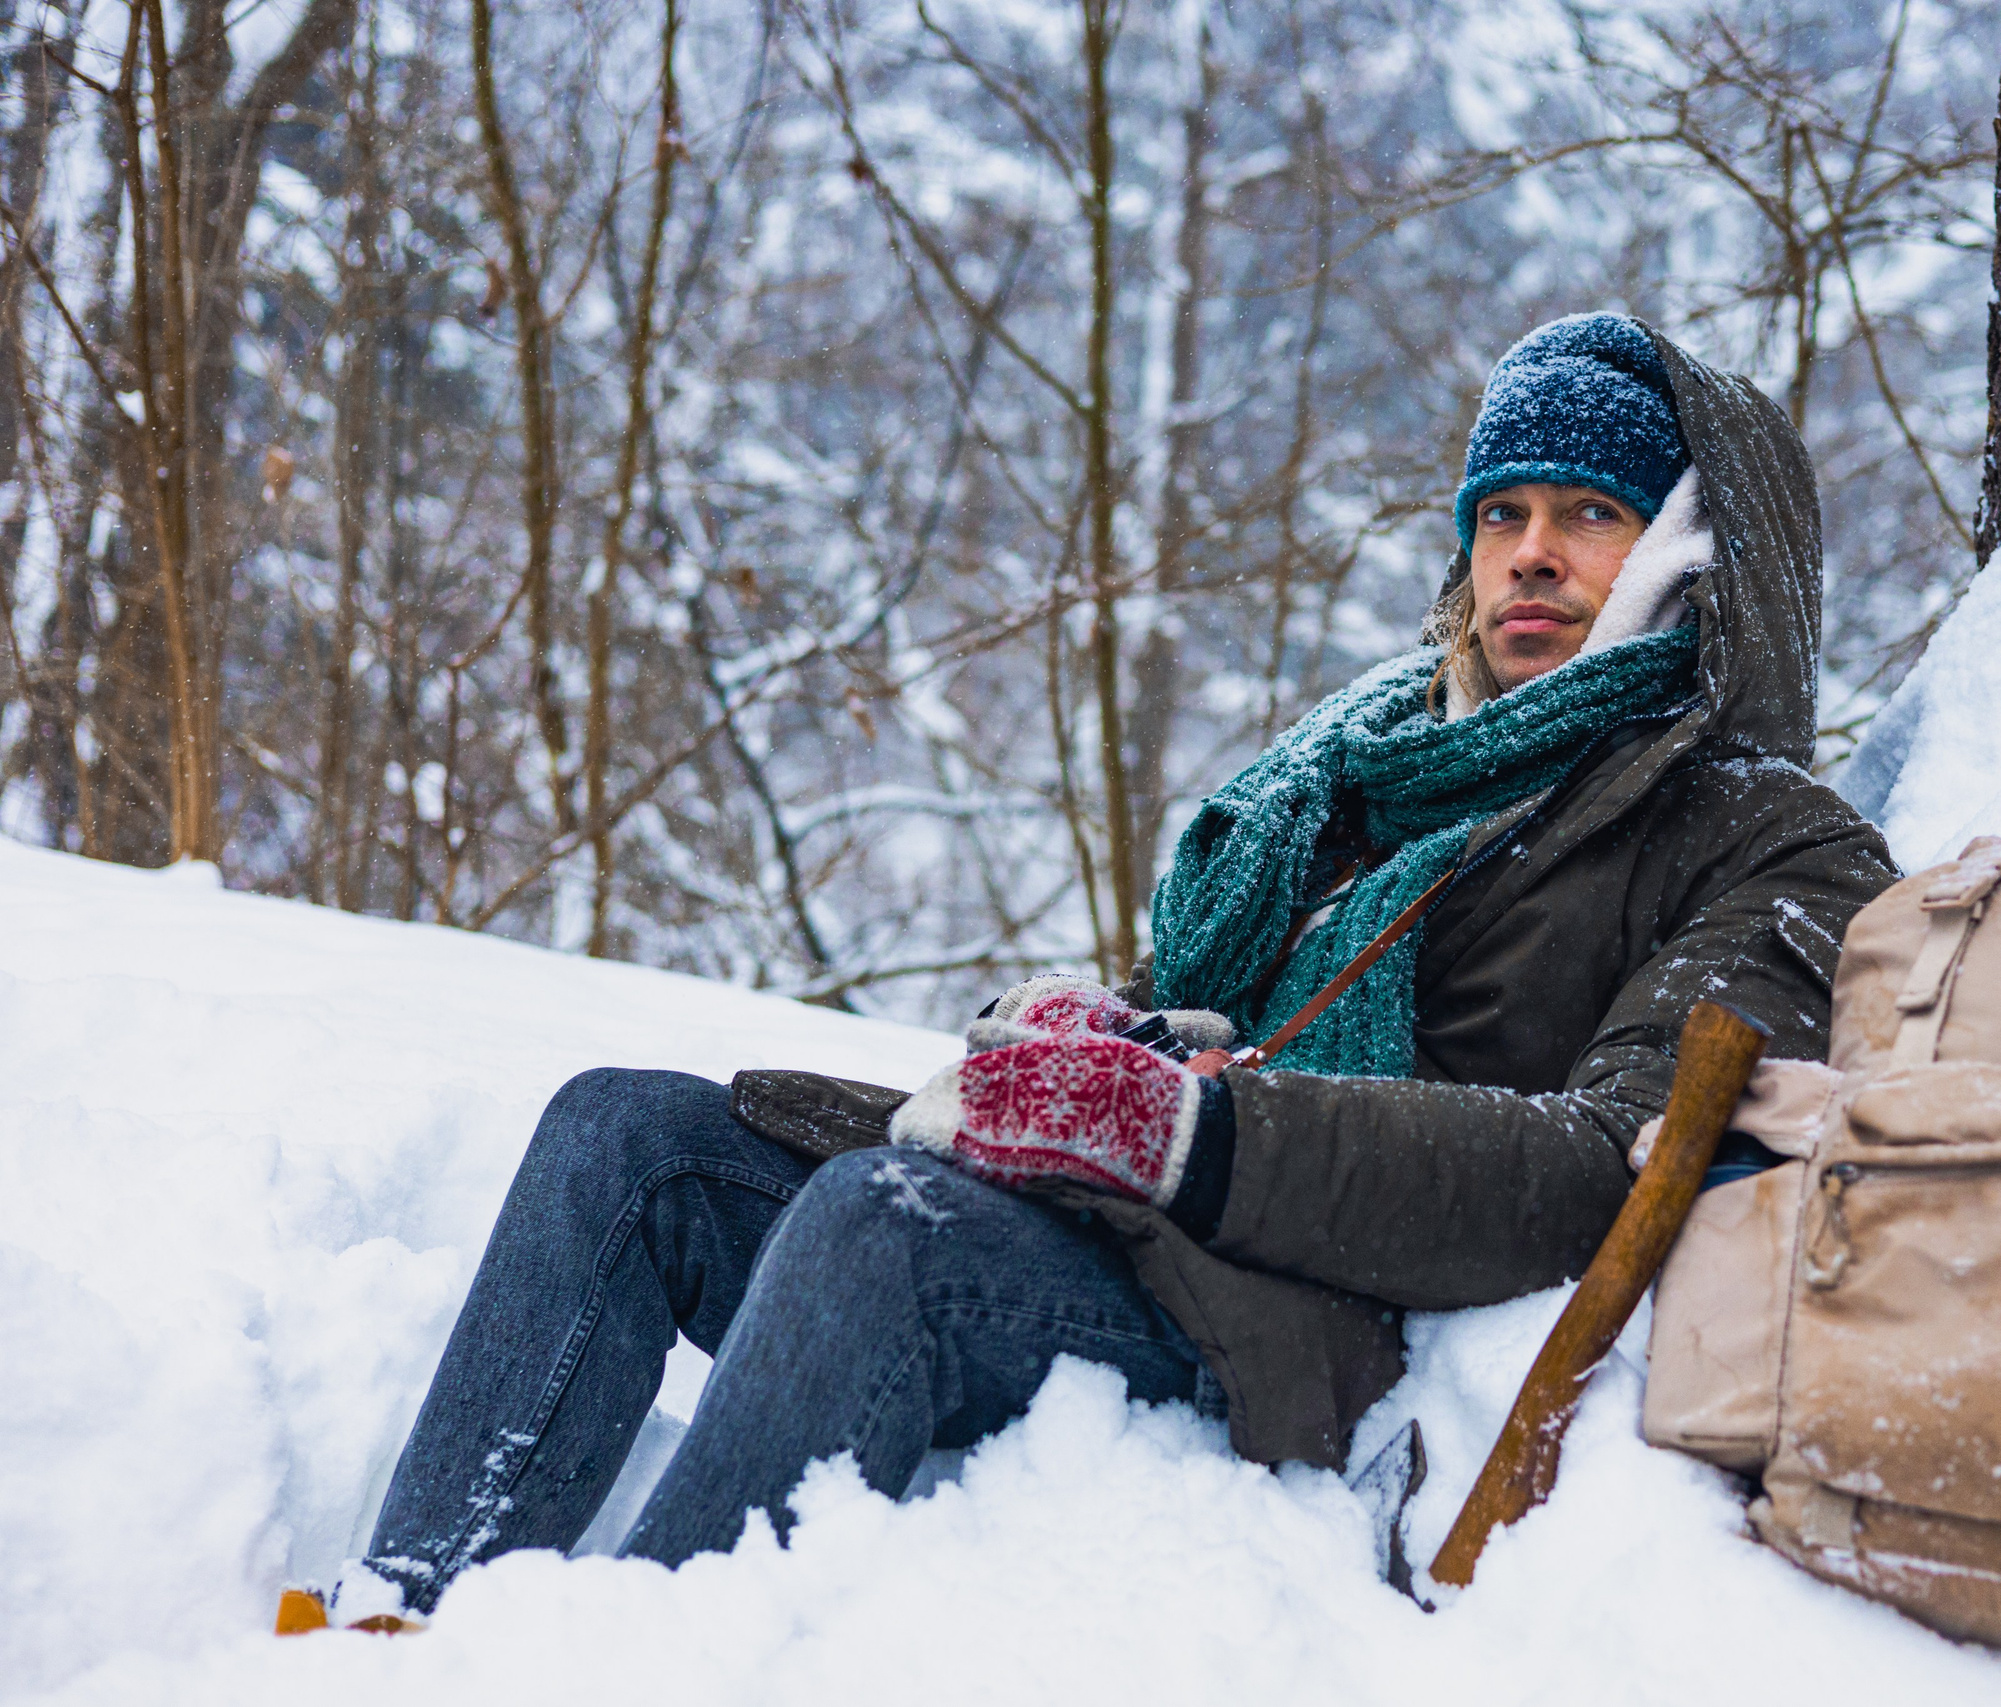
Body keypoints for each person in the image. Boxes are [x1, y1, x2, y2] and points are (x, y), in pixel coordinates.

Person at [344, 312, 1897, 1619]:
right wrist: (1135, 1041)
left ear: (1690, 553)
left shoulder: (1763, 841)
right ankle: (395, 1628)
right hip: (1164, 1232)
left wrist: (1182, 1130)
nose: (1532, 559)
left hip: (1329, 1323)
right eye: (1503, 516)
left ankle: (615, 1678)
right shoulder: (1371, 773)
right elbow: (1262, 1034)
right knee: (632, 1137)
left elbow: (1600, 1172)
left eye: (1591, 516)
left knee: (884, 1226)